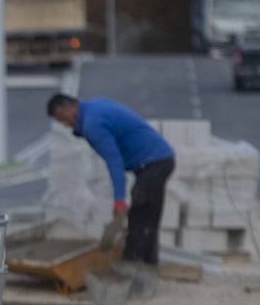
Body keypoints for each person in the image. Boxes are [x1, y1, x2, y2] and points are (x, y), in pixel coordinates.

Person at [47, 93, 176, 265]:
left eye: (63, 117)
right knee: (149, 216)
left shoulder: (93, 125)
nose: (65, 124)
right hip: (161, 158)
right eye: (60, 121)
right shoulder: (94, 106)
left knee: (140, 215)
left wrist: (119, 199)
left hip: (154, 163)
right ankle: (149, 265)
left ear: (71, 106)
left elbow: (115, 162)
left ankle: (132, 264)